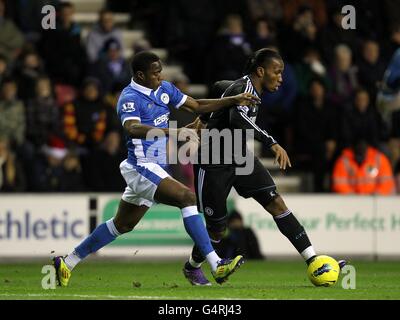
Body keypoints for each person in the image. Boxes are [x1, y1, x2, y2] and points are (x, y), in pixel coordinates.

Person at [53, 51, 261, 287]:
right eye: (155, 73)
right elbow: (132, 129)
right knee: (187, 197)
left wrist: (232, 100)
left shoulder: (165, 89)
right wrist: (174, 132)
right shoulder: (129, 98)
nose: (160, 76)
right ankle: (216, 264)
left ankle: (67, 262)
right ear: (140, 75)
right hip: (141, 166)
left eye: (161, 71)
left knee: (123, 224)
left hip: (156, 168)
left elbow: (197, 105)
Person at [182, 48, 346, 286]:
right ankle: (192, 267)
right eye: (276, 72)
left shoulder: (243, 87)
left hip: (240, 158)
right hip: (213, 162)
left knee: (276, 203)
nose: (281, 78)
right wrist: (272, 143)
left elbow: (219, 86)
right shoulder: (244, 90)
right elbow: (239, 119)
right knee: (217, 230)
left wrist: (205, 119)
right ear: (261, 71)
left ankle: (314, 261)